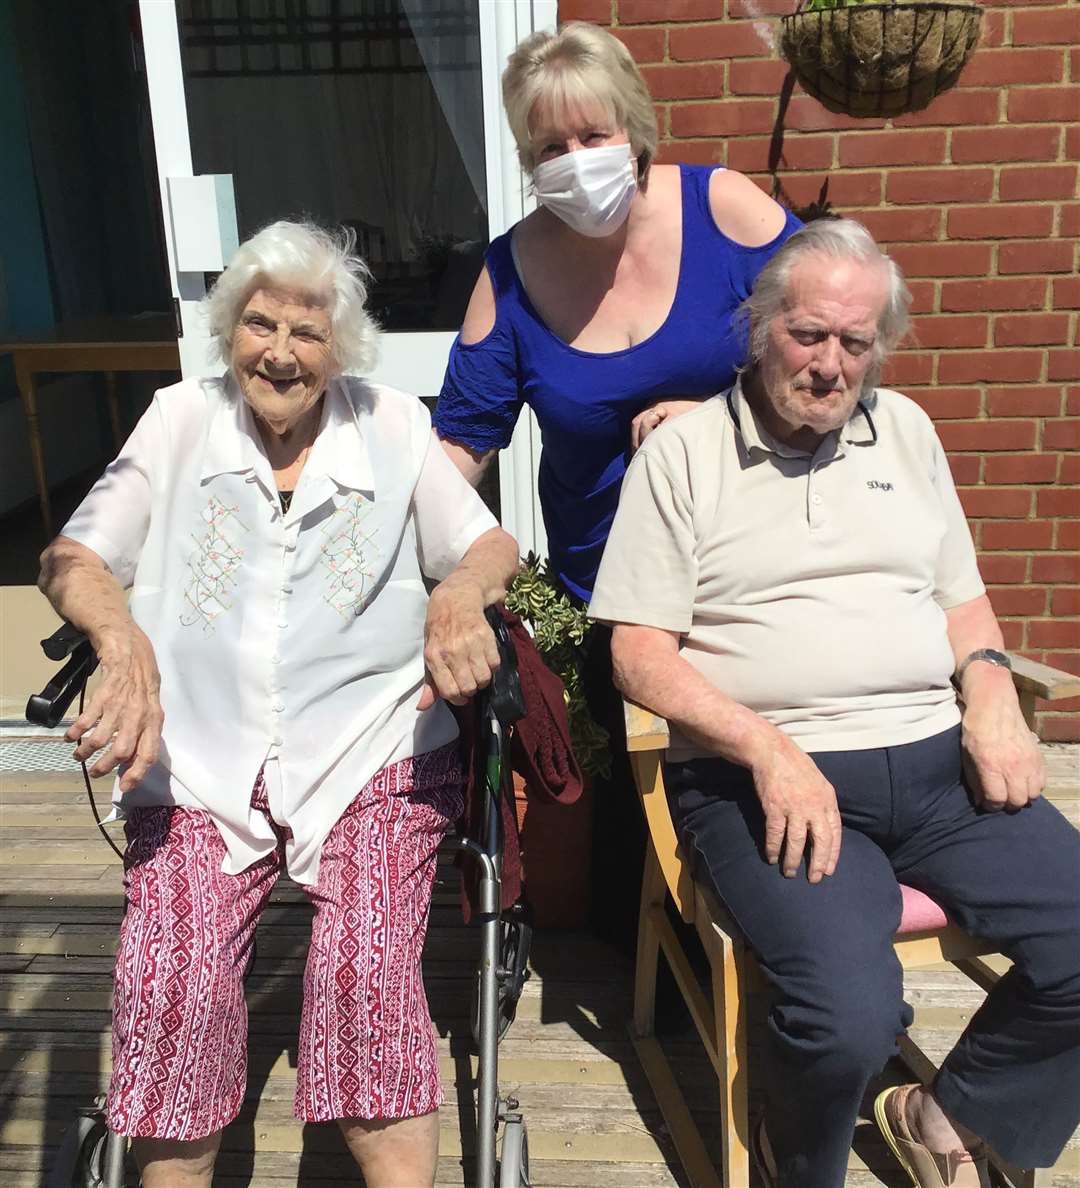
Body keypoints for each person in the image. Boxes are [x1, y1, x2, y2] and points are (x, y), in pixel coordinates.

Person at [589, 218, 1080, 1187]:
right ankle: (795, 1157)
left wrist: (988, 690)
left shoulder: (907, 429)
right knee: (847, 1011)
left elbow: (962, 597)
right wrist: (764, 749)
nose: (830, 364)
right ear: (760, 328)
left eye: (856, 343)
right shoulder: (683, 457)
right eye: (809, 334)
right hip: (762, 781)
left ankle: (947, 1113)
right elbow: (637, 656)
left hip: (940, 770)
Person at [37, 220, 520, 1188]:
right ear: (230, 332)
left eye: (307, 331)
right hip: (199, 761)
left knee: (365, 976)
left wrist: (459, 594)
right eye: (260, 325)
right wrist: (120, 636)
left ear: (338, 346)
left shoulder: (388, 423)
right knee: (170, 986)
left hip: (371, 756)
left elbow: (486, 545)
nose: (281, 352)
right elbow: (73, 558)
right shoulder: (178, 421)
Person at [433, 21, 800, 942]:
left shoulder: (726, 210)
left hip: (750, 576)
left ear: (635, 128)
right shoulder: (510, 274)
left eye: (591, 135)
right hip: (609, 592)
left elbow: (826, 352)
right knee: (625, 864)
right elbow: (461, 445)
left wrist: (720, 415)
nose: (574, 161)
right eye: (548, 146)